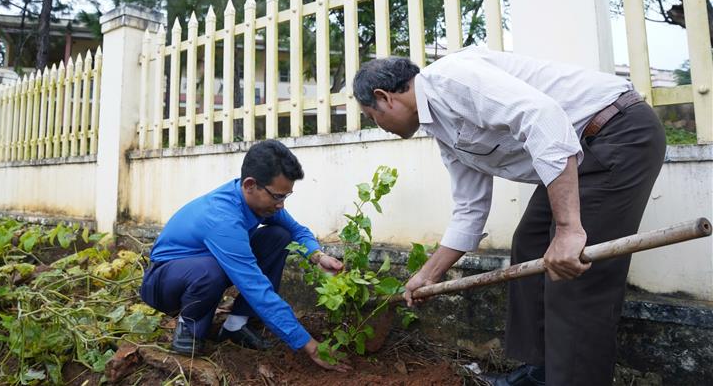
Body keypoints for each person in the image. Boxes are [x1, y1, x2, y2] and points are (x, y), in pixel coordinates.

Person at [352, 47, 666, 386]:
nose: (378, 126)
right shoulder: (439, 126)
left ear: (384, 98)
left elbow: (544, 118)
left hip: (616, 134)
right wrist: (429, 274)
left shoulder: (452, 80)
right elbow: (470, 208)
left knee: (573, 276)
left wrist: (568, 229)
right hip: (577, 153)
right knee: (530, 243)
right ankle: (540, 374)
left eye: (372, 116)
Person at [140, 139, 349, 372]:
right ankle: (189, 327)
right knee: (212, 270)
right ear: (250, 185)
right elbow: (255, 288)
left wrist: (318, 256)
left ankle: (235, 325)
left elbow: (297, 230)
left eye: (285, 197)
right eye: (277, 196)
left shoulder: (260, 202)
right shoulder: (222, 218)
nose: (281, 205)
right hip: (163, 282)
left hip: (206, 268)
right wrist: (308, 345)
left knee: (279, 236)